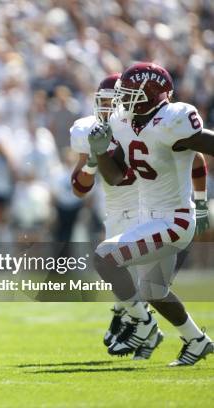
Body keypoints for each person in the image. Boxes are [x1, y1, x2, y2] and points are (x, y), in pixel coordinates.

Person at [70, 73, 209, 360]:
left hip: (172, 219)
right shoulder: (126, 125)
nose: (119, 104)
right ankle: (196, 340)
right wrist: (98, 153)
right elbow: (114, 177)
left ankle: (142, 324)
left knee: (105, 258)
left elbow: (198, 155)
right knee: (153, 290)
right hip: (149, 217)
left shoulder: (169, 120)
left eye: (124, 96)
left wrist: (202, 203)